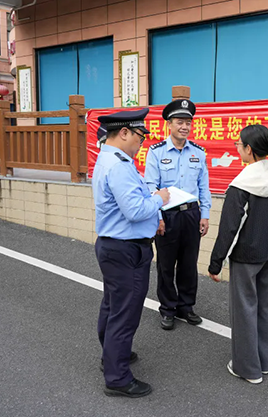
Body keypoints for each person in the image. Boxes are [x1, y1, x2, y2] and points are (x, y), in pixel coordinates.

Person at [93, 108, 170, 398]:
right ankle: (117, 378)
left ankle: (112, 355)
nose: (141, 142)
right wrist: (159, 199)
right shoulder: (119, 166)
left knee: (113, 305)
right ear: (124, 132)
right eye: (140, 135)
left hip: (115, 246)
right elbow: (135, 210)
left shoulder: (108, 158)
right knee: (125, 313)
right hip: (126, 249)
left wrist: (153, 210)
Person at [208, 124, 268, 384]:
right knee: (266, 305)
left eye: (238, 144)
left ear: (248, 149)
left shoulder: (241, 184)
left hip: (247, 256)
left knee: (244, 310)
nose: (237, 147)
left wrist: (215, 263)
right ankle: (264, 362)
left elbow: (229, 228)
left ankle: (247, 369)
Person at [144, 99, 212, 330]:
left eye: (188, 123)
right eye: (180, 122)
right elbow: (151, 186)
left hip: (191, 214)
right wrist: (157, 217)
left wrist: (205, 214)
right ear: (169, 124)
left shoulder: (198, 153)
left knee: (188, 264)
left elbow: (204, 186)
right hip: (167, 216)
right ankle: (168, 308)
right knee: (165, 265)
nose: (184, 127)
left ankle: (186, 306)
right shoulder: (156, 152)